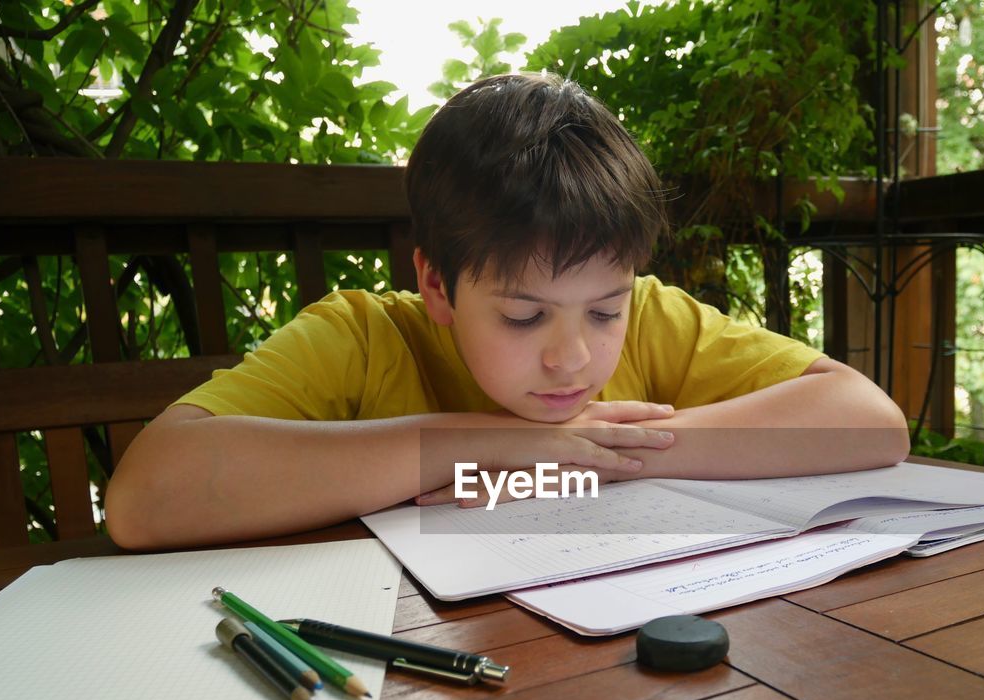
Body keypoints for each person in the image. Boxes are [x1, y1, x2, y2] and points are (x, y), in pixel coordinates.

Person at [105, 73, 909, 549]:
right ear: (436, 286)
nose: (574, 356)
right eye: (524, 318)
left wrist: (588, 454)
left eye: (604, 311)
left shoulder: (656, 318)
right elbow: (146, 498)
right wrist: (489, 447)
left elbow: (870, 420)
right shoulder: (360, 337)